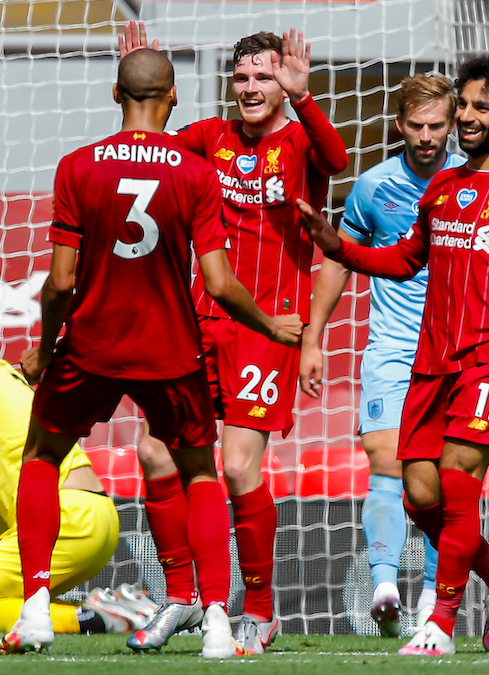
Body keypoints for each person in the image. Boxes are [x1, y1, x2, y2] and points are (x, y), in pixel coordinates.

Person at [0, 48, 302, 659]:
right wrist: (269, 322)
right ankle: (216, 622)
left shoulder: (77, 167)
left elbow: (58, 283)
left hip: (92, 344)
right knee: (201, 472)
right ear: (175, 97)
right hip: (171, 349)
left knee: (42, 456)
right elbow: (217, 283)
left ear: (114, 95)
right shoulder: (195, 172)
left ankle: (34, 610)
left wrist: (46, 348)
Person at [298, 52, 489, 655]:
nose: (467, 116)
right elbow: (403, 260)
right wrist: (338, 247)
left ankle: (442, 622)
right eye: (465, 104)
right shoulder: (444, 189)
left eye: (483, 106)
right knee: (419, 496)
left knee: (456, 482)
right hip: (430, 363)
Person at [119, 21, 348, 655]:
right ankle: (182, 597)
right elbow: (147, 145)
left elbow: (338, 161)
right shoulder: (209, 138)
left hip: (268, 325)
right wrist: (137, 79)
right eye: (241, 76)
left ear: (283, 81)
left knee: (239, 465)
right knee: (156, 455)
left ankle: (260, 609)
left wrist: (303, 96)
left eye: (263, 76)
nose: (250, 87)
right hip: (198, 320)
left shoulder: (301, 143)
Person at [299, 74, 461, 637]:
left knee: (443, 482)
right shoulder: (373, 187)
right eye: (415, 125)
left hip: (456, 353)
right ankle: (386, 584)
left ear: (452, 124)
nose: (425, 136)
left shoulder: (474, 184)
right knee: (386, 462)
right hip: (392, 348)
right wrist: (314, 336)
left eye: (436, 125)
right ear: (399, 125)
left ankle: (432, 605)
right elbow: (340, 259)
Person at [0, 297, 157, 638]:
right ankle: (110, 611)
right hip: (96, 517)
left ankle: (98, 616)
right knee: (3, 604)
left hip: (64, 520)